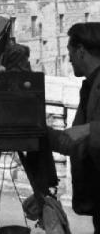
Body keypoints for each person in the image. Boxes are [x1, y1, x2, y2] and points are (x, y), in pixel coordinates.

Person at [48, 22, 100, 233]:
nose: (68, 59)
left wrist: (89, 130)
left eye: (70, 52)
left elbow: (82, 135)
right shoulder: (89, 86)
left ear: (80, 51)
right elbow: (73, 142)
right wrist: (37, 133)